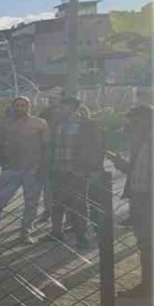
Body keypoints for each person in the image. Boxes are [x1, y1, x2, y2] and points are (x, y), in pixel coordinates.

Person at [0, 97, 47, 245]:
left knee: (31, 204)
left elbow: (46, 147)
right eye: (17, 106)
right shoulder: (4, 125)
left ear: (29, 107)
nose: (20, 108)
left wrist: (41, 168)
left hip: (33, 170)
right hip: (11, 170)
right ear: (12, 107)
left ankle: (25, 232)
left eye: (23, 106)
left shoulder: (39, 124)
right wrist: (4, 164)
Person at [108, 105, 154, 297]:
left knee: (148, 243)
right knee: (145, 243)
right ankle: (147, 284)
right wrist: (117, 161)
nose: (131, 124)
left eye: (134, 120)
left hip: (151, 200)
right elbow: (134, 170)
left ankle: (148, 286)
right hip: (140, 198)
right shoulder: (141, 141)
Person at [44, 97, 103, 250]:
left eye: (63, 107)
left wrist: (93, 168)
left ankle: (81, 236)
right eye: (60, 107)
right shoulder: (56, 124)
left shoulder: (87, 125)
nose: (60, 110)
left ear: (73, 108)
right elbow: (50, 146)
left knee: (79, 205)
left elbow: (96, 147)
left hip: (78, 171)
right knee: (57, 203)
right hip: (58, 170)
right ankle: (56, 232)